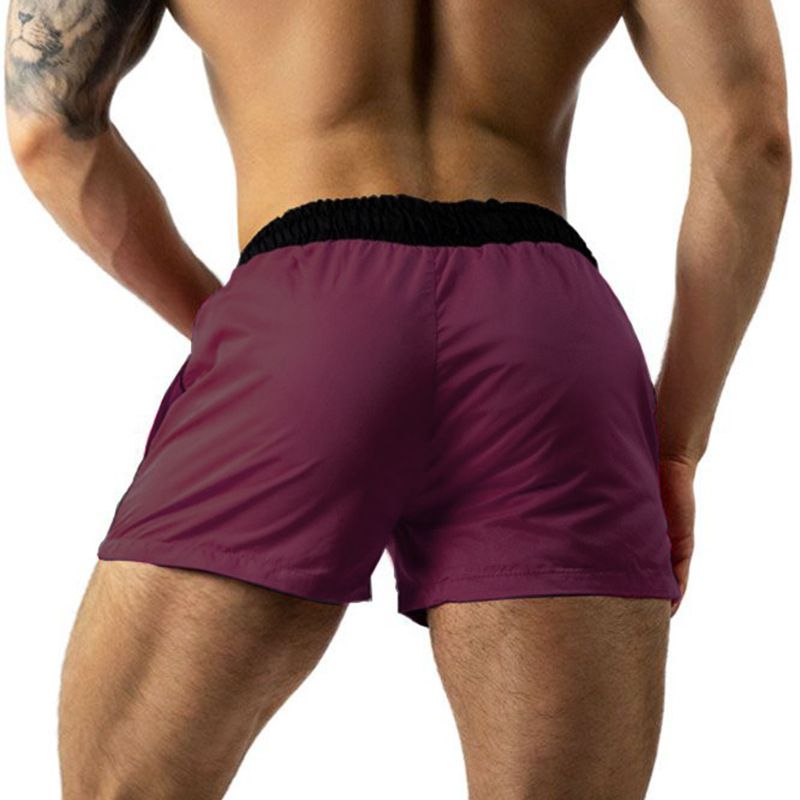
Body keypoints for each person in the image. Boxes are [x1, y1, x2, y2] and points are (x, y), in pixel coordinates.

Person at [5, 0, 791, 797]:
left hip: (303, 304)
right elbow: (750, 141)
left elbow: (46, 129)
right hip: (549, 332)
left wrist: (236, 326)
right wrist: (676, 444)